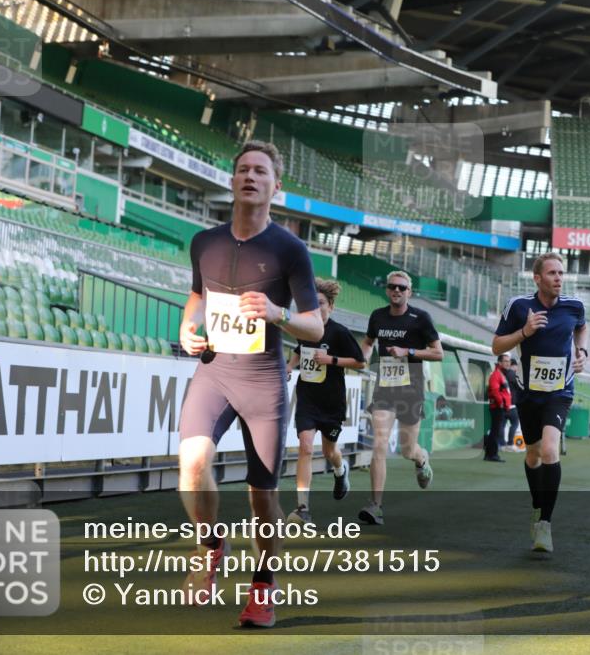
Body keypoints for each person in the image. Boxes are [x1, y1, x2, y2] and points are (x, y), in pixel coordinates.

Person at [176, 141, 323, 628]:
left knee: (262, 495)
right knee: (191, 465)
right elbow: (197, 295)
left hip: (263, 383)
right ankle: (211, 542)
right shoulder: (204, 242)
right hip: (214, 372)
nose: (250, 177)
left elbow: (315, 327)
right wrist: (186, 328)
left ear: (275, 187)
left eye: (261, 171)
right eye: (243, 169)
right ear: (232, 179)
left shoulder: (290, 250)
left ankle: (263, 585)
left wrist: (278, 313)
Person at [492, 252, 587, 554]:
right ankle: (537, 506)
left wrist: (582, 352)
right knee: (532, 455)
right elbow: (496, 345)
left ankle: (545, 524)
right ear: (537, 278)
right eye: (552, 273)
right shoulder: (519, 307)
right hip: (527, 392)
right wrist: (524, 332)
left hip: (560, 391)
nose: (559, 278)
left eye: (561, 273)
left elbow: (581, 327)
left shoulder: (574, 306)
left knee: (549, 449)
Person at [359, 270, 444, 525]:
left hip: (411, 389)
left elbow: (438, 353)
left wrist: (407, 350)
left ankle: (422, 458)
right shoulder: (377, 316)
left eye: (402, 288)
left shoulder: (421, 318)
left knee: (408, 450)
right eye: (392, 287)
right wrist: (362, 357)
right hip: (385, 388)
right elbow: (368, 341)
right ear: (387, 290)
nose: (396, 291)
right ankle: (376, 506)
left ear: (410, 292)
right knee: (380, 444)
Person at [285, 278, 366, 525]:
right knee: (306, 447)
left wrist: (330, 360)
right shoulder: (306, 329)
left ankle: (340, 472)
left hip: (331, 401)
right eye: (312, 303)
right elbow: (300, 349)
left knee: (330, 451)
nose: (316, 308)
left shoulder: (339, 332)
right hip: (308, 397)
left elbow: (360, 362)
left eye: (321, 303)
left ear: (330, 306)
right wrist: (289, 366)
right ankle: (302, 509)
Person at [485, 354, 512, 462]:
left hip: (500, 407)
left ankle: (489, 454)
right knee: (495, 432)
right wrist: (501, 403)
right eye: (505, 361)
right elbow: (495, 391)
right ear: (499, 363)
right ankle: (492, 455)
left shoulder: (501, 374)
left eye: (508, 361)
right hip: (497, 407)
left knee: (495, 431)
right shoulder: (496, 375)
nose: (508, 363)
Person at [503, 357, 524, 451]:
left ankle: (502, 443)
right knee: (515, 423)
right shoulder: (512, 374)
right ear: (514, 365)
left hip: (503, 403)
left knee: (502, 425)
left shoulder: (503, 374)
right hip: (511, 404)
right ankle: (510, 443)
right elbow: (520, 386)